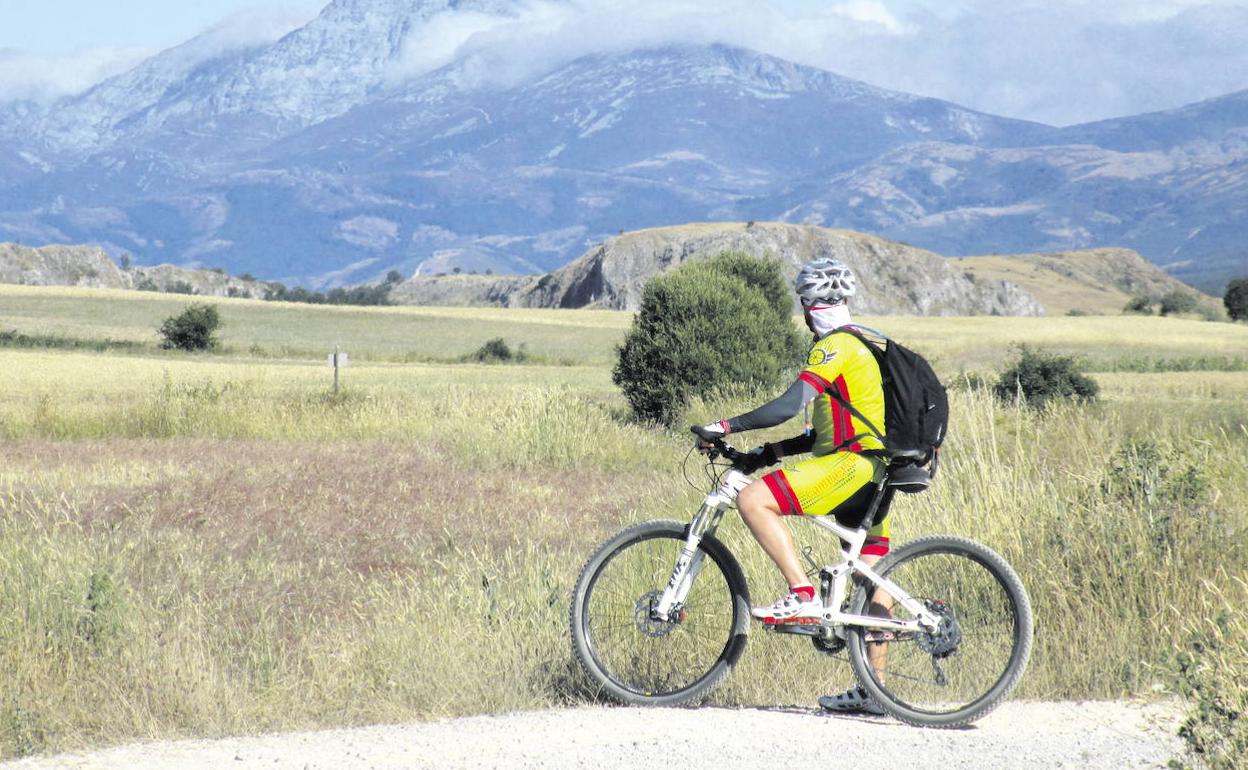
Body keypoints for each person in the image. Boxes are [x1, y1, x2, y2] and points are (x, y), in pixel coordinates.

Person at [692, 257, 892, 715]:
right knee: (869, 573)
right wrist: (764, 454)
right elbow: (818, 432)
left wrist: (725, 425)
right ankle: (875, 692)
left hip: (852, 465)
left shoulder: (835, 346)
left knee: (753, 498)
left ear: (807, 305)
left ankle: (801, 594)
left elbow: (788, 405)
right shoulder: (861, 342)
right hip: (874, 469)